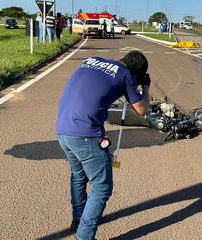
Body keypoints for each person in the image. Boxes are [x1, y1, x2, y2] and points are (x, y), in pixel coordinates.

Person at [56, 51, 151, 240]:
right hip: (86, 135)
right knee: (102, 187)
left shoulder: (91, 60)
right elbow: (142, 109)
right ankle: (84, 236)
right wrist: (145, 86)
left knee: (78, 176)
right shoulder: (126, 76)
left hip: (63, 130)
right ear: (136, 74)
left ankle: (78, 220)